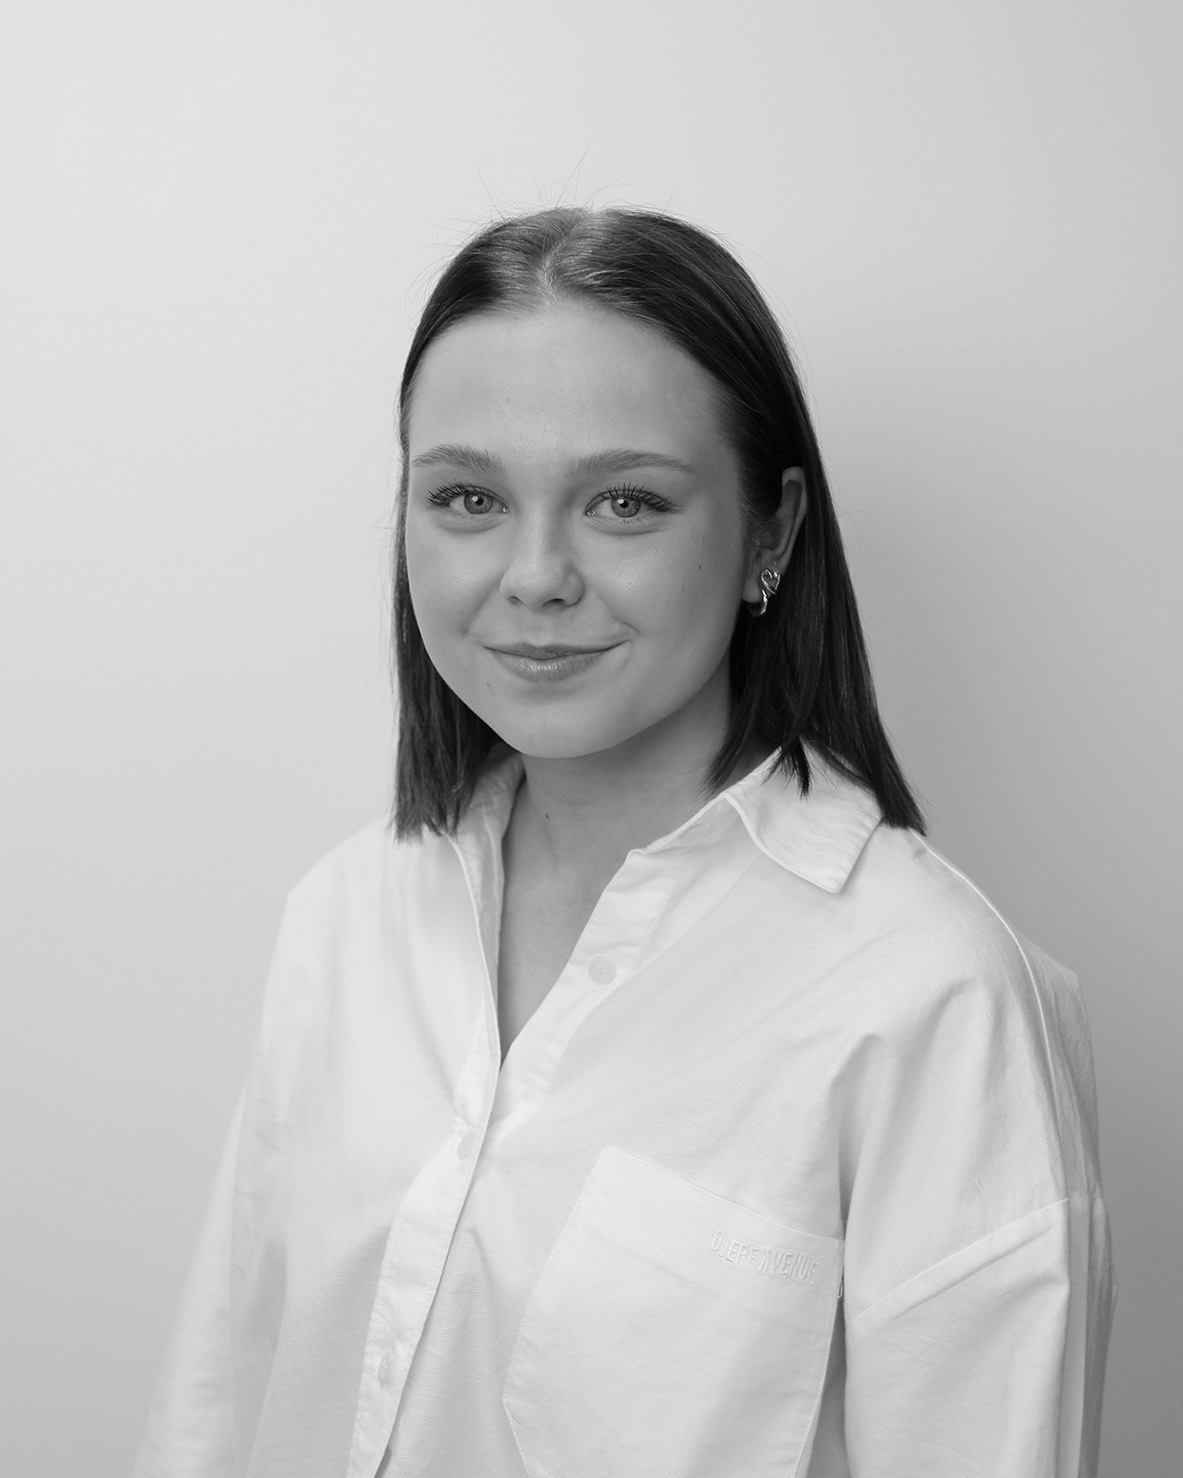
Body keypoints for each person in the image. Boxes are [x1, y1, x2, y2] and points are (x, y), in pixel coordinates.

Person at [135, 206, 1115, 1478]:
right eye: (469, 496)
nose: (535, 574)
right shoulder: (349, 910)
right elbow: (220, 1401)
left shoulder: (931, 996)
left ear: (770, 531)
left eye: (625, 501)